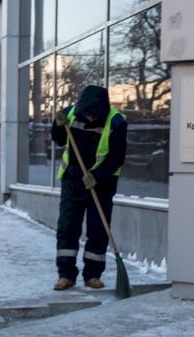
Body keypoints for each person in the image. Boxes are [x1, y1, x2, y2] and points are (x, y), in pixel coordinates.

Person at [51, 85, 127, 291]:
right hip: (72, 181)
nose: (89, 118)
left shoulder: (117, 121)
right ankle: (65, 275)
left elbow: (117, 157)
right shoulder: (71, 113)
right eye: (86, 114)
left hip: (101, 185)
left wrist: (97, 176)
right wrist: (57, 125)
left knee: (98, 230)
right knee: (67, 228)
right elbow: (60, 139)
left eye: (93, 115)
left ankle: (93, 275)